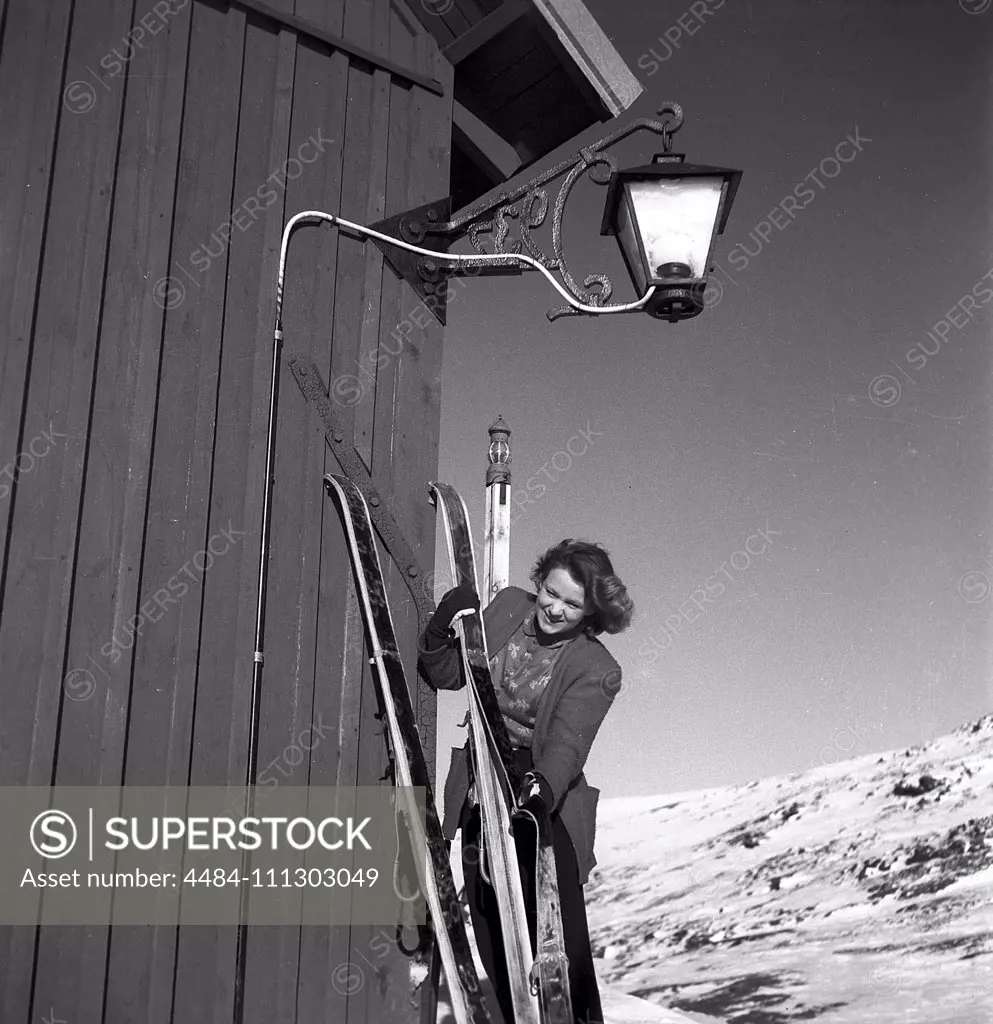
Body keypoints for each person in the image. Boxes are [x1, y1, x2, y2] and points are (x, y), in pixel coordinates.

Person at [418, 539, 634, 1024]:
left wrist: (541, 789)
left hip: (540, 795)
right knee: (491, 919)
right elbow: (452, 674)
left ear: (590, 613)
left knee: (560, 935)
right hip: (482, 784)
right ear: (538, 583)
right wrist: (440, 629)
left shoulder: (598, 668)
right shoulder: (511, 606)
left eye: (571, 604)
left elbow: (566, 745)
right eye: (550, 592)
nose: (554, 608)